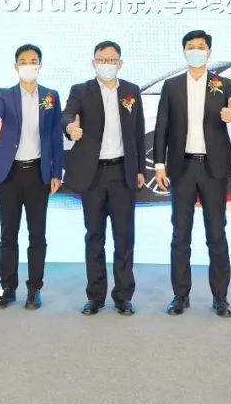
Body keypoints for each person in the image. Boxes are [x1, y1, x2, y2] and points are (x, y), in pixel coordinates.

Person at [153, 30, 231, 317]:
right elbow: (162, 126)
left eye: (201, 46)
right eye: (191, 47)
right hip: (182, 168)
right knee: (180, 234)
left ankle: (221, 297)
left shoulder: (223, 84)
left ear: (209, 51)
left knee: (216, 234)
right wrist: (159, 164)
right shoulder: (172, 86)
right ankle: (180, 296)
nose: (196, 51)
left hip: (213, 169)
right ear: (184, 51)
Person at [61, 41, 146, 316]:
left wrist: (140, 170)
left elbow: (138, 131)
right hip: (94, 174)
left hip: (122, 173)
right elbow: (67, 115)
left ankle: (123, 296)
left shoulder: (131, 91)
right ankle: (95, 296)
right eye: (102, 60)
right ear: (93, 63)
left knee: (124, 237)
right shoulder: (80, 90)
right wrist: (70, 128)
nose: (106, 64)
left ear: (120, 63)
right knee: (94, 236)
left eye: (111, 60)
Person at [0, 44, 63, 310]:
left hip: (38, 172)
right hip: (9, 173)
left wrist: (57, 171)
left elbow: (55, 135)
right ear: (16, 66)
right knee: (8, 233)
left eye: (33, 61)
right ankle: (8, 287)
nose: (29, 65)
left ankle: (34, 288)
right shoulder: (5, 94)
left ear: (40, 65)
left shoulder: (50, 96)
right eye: (24, 61)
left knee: (37, 234)